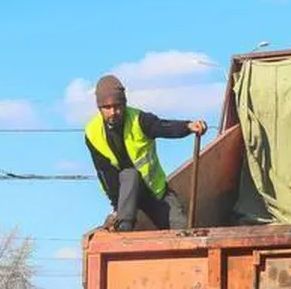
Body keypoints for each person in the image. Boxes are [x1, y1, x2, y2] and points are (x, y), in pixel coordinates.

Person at [84, 74, 206, 231]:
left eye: (118, 106)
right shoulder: (93, 132)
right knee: (130, 175)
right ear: (99, 108)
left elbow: (163, 127)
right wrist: (117, 207)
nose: (113, 112)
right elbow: (105, 173)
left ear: (125, 104)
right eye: (107, 108)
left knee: (181, 230)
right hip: (125, 196)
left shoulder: (139, 119)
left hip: (155, 193)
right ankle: (124, 229)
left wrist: (187, 127)